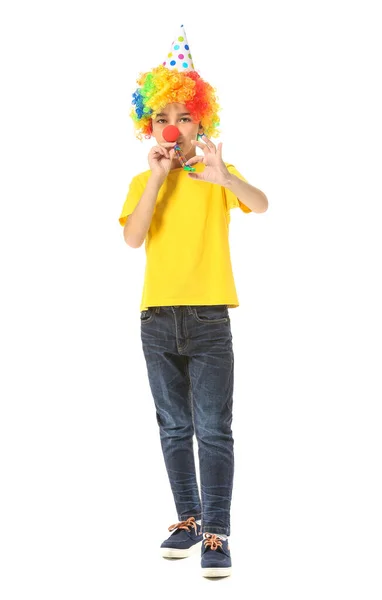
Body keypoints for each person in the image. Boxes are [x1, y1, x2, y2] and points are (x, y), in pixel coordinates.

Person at [118, 25, 268, 578]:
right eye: (164, 117)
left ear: (202, 123)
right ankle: (186, 517)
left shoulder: (214, 178)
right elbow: (133, 238)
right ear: (149, 125)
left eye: (185, 117)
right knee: (174, 426)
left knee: (213, 427)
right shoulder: (143, 180)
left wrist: (226, 177)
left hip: (207, 319)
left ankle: (216, 533)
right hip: (156, 319)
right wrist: (157, 178)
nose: (175, 126)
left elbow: (262, 203)